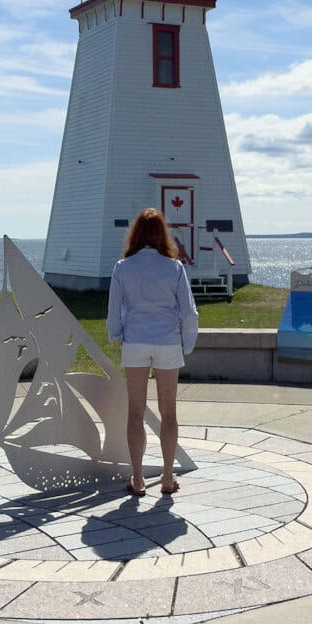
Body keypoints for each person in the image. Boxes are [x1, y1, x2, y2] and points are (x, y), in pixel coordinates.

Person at [106, 207, 199, 497]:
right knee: (168, 412)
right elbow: (189, 313)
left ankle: (138, 479)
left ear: (135, 234)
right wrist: (187, 343)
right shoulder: (174, 268)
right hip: (168, 343)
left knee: (135, 412)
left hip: (135, 342)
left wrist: (117, 337)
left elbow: (113, 313)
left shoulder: (123, 267)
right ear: (163, 234)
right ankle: (168, 478)